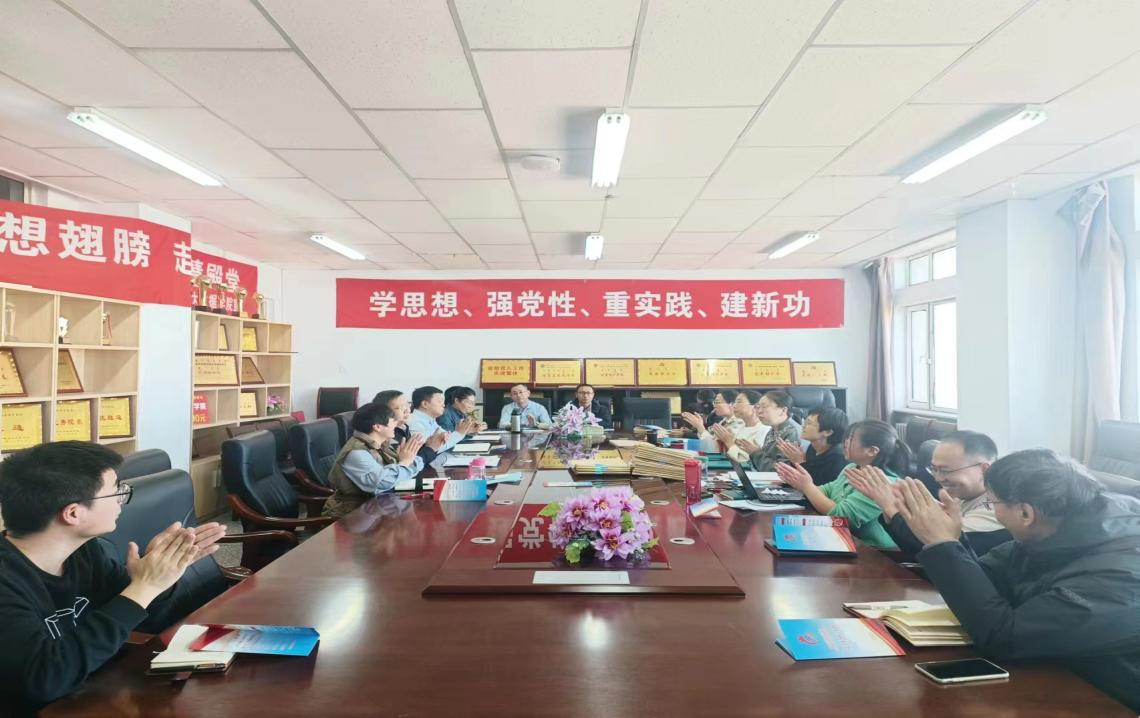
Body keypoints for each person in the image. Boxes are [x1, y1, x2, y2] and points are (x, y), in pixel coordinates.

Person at [894, 449, 1140, 712]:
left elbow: (1006, 638)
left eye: (992, 503)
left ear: (1025, 513)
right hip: (1051, 676)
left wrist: (942, 544)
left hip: (1107, 701)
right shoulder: (1054, 531)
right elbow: (987, 579)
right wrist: (952, 541)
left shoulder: (1121, 576)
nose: (994, 512)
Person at [0, 441, 227, 714]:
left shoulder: (86, 551)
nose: (121, 498)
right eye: (115, 491)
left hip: (93, 695)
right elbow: (45, 680)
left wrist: (158, 576)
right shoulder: (7, 581)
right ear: (73, 513)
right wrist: (142, 588)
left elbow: (144, 619)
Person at [847, 430, 1010, 560]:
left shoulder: (997, 508)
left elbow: (942, 547)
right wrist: (895, 503)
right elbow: (916, 551)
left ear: (984, 469)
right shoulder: (961, 496)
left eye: (945, 470)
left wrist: (891, 507)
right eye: (934, 469)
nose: (938, 478)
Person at [775, 420, 910, 550]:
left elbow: (841, 517)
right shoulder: (852, 467)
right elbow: (826, 490)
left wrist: (807, 487)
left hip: (874, 551)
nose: (845, 443)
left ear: (872, 451)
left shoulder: (883, 485)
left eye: (851, 439)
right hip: (842, 539)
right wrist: (801, 482)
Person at [323, 402, 427, 519]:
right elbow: (382, 483)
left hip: (375, 508)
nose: (397, 423)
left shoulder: (381, 444)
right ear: (377, 427)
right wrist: (404, 463)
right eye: (393, 420)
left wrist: (405, 463)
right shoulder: (357, 453)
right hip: (351, 515)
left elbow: (418, 464)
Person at [774, 407, 849, 486]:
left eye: (809, 423)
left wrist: (799, 462)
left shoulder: (838, 458)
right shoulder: (813, 448)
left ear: (827, 432)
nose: (803, 426)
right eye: (805, 422)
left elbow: (818, 486)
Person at [373, 389, 447, 465]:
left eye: (407, 405)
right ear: (384, 412)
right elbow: (407, 464)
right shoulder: (388, 434)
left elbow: (412, 457)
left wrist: (428, 445)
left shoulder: (403, 427)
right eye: (400, 407)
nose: (407, 410)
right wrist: (431, 448)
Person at [406, 386, 475, 457]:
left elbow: (447, 438)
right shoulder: (415, 422)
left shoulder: (430, 420)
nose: (443, 404)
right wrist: (459, 433)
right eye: (439, 401)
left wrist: (464, 430)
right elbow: (435, 448)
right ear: (425, 404)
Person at [742, 390, 800, 471]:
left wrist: (755, 453)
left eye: (764, 406)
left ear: (783, 410)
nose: (759, 411)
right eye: (758, 407)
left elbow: (781, 470)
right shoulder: (772, 430)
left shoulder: (791, 433)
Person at [710, 390, 769, 463]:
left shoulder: (764, 430)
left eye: (739, 402)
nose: (734, 406)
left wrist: (729, 442)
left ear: (755, 407)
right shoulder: (740, 427)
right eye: (734, 402)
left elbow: (746, 461)